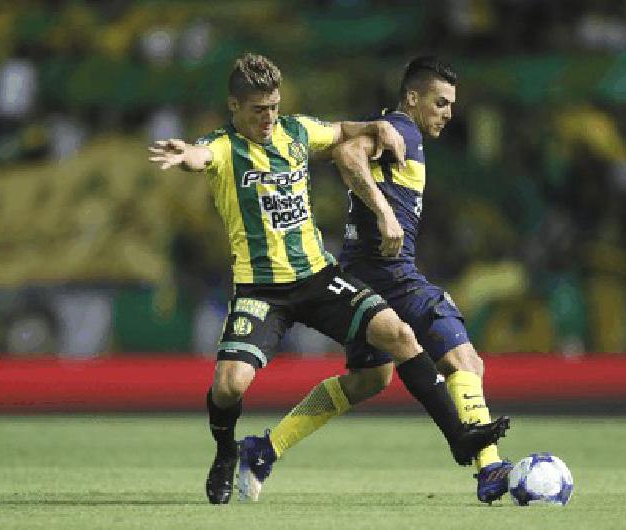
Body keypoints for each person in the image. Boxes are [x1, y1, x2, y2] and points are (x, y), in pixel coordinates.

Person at [148, 52, 510, 505]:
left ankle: (464, 442)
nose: (269, 118)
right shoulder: (223, 146)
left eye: (274, 107)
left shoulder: (296, 131)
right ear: (234, 108)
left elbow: (339, 133)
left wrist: (373, 127)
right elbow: (204, 156)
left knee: (387, 352)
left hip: (321, 277)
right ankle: (227, 451)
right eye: (258, 109)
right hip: (263, 289)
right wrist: (186, 154)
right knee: (230, 386)